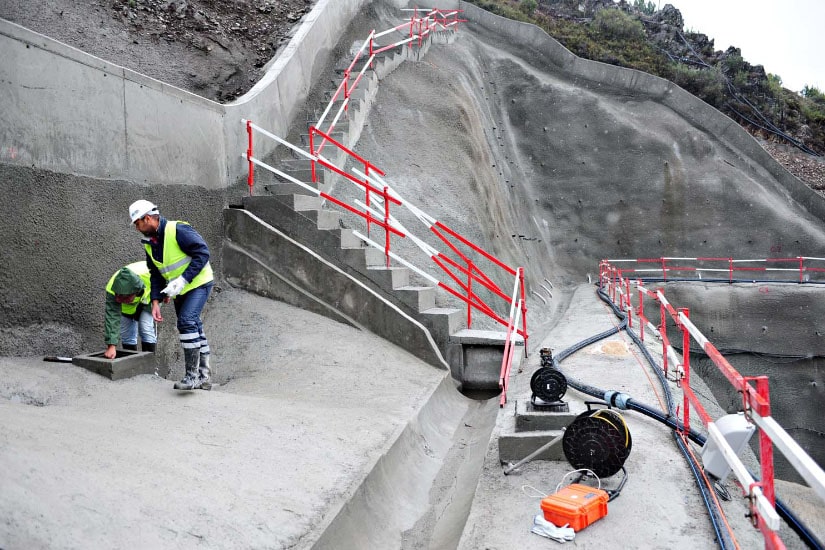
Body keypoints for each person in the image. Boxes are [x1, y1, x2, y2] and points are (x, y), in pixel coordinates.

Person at [128, 199, 215, 391]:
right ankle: (204, 377)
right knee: (195, 326)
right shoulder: (150, 243)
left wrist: (183, 279)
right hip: (179, 289)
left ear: (148, 218)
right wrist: (156, 301)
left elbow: (203, 253)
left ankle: (192, 377)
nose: (136, 228)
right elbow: (156, 273)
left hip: (199, 283)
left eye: (137, 223)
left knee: (186, 322)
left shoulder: (178, 230)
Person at [103, 262, 157, 359]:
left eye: (123, 297)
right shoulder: (112, 289)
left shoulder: (150, 273)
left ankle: (149, 366)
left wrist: (166, 294)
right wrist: (111, 345)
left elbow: (166, 277)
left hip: (150, 297)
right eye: (117, 295)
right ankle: (132, 365)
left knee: (145, 327)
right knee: (127, 333)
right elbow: (112, 316)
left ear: (135, 292)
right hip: (130, 306)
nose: (119, 300)